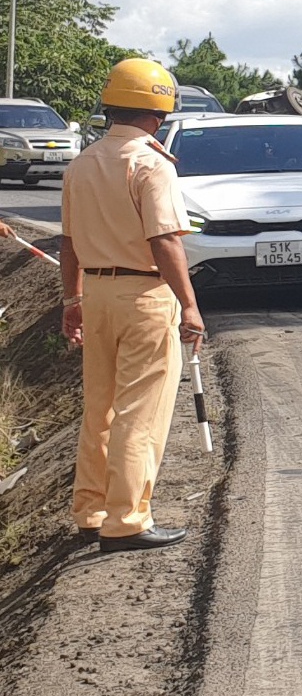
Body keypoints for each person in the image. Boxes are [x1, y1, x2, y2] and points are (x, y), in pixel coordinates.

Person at [60, 58, 205, 552]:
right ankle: (126, 520)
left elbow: (69, 241)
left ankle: (91, 510)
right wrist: (189, 305)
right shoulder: (150, 164)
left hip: (97, 293)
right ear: (159, 113)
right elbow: (165, 240)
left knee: (99, 408)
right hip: (143, 296)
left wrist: (71, 297)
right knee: (141, 411)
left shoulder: (82, 163)